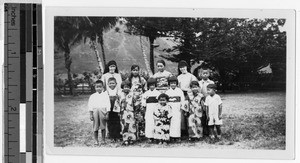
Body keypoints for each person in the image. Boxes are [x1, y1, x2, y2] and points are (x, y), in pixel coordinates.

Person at [177, 60, 197, 138]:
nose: (182, 69)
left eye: (184, 67)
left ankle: (191, 131)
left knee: (190, 112)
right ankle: (183, 130)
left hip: (189, 95)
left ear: (187, 67)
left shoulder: (191, 76)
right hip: (182, 95)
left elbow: (195, 86)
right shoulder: (178, 77)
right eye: (180, 67)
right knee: (182, 112)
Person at [88, 80, 111, 145]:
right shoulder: (92, 96)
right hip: (95, 111)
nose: (99, 88)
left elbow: (108, 104)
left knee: (103, 126)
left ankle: (103, 140)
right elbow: (90, 105)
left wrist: (107, 113)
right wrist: (91, 114)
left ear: (103, 87)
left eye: (100, 87)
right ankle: (96, 140)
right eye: (97, 87)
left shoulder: (105, 95)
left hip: (103, 111)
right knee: (95, 126)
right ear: (95, 87)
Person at [165, 76, 185, 142]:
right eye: (171, 83)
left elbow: (182, 99)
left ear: (176, 84)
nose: (173, 84)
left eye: (174, 83)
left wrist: (182, 107)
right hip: (170, 107)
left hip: (177, 107)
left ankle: (177, 136)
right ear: (169, 84)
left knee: (177, 122)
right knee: (170, 121)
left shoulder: (179, 91)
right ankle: (171, 136)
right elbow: (166, 101)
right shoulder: (167, 92)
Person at [141, 78, 161, 143]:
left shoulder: (158, 93)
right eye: (150, 85)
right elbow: (143, 102)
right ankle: (150, 137)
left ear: (155, 85)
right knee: (149, 122)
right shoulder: (146, 93)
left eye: (153, 85)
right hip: (149, 109)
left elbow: (160, 102)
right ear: (148, 86)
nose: (152, 86)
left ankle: (157, 137)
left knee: (156, 122)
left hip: (156, 108)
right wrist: (144, 106)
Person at [197, 66, 215, 136]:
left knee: (210, 115)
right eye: (203, 73)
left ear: (209, 74)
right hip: (202, 100)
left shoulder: (211, 82)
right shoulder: (199, 83)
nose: (205, 75)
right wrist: (201, 100)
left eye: (206, 73)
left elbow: (213, 92)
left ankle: (211, 131)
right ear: (200, 74)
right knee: (202, 115)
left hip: (209, 100)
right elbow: (198, 92)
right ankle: (204, 131)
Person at [120, 80, 137, 145]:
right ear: (122, 87)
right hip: (123, 112)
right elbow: (117, 103)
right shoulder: (120, 94)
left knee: (132, 126)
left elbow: (136, 103)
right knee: (124, 126)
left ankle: (132, 138)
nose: (126, 88)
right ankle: (125, 139)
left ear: (130, 87)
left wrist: (135, 111)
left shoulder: (132, 94)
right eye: (125, 87)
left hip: (131, 112)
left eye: (128, 87)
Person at [106, 77, 122, 142]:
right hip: (109, 109)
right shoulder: (106, 92)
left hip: (116, 109)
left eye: (113, 83)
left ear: (116, 84)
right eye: (110, 83)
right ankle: (112, 136)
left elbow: (120, 101)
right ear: (107, 84)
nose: (112, 85)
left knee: (117, 122)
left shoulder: (118, 91)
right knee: (110, 122)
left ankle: (117, 135)